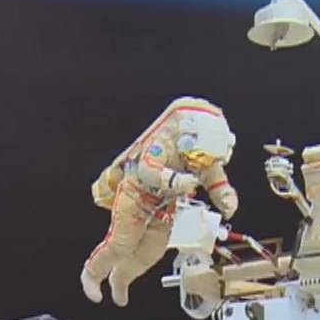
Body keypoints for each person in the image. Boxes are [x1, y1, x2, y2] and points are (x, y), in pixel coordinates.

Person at [80, 97, 239, 307]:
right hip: (137, 196)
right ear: (187, 139)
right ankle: (92, 274)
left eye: (206, 159)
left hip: (166, 208)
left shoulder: (206, 158)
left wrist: (226, 196)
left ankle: (121, 278)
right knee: (122, 244)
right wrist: (176, 181)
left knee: (151, 253)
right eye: (198, 156)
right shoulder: (164, 142)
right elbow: (146, 169)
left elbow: (216, 179)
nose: (200, 163)